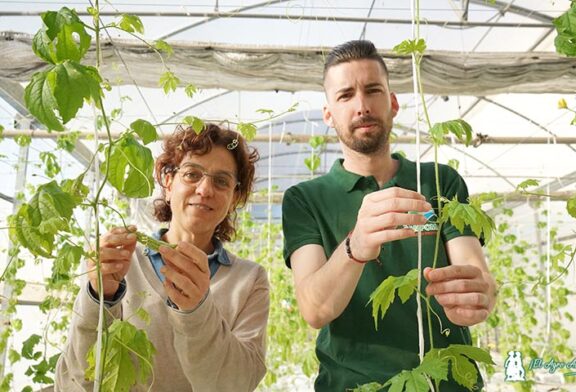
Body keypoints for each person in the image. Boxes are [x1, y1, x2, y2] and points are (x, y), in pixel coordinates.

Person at [282, 40, 496, 391]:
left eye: (373, 90)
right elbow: (315, 309)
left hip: (446, 382)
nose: (362, 106)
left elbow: (478, 276)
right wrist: (357, 245)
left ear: (393, 102)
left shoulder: (439, 181)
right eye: (346, 95)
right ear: (328, 115)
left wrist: (480, 295)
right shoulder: (305, 199)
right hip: (353, 385)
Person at [56, 124, 269, 391]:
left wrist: (197, 310)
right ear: (168, 183)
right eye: (192, 174)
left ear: (234, 198)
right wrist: (100, 297)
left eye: (222, 181)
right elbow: (76, 381)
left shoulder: (249, 280)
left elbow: (238, 384)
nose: (205, 189)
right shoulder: (121, 263)